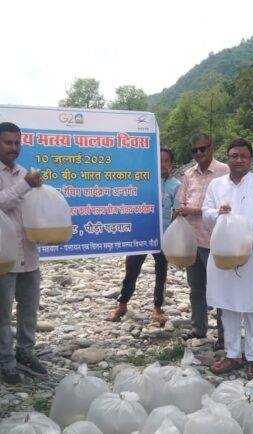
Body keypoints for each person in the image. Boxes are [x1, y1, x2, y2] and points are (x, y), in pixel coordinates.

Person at [0, 122, 48, 385]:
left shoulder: (23, 172)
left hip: (28, 251)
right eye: (8, 142)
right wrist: (26, 185)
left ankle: (25, 353)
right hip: (3, 254)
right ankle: (6, 362)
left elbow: (32, 209)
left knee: (29, 309)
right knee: (2, 313)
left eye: (17, 143)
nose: (14, 148)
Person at [202, 138, 253, 379]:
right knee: (228, 305)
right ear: (228, 157)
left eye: (243, 156)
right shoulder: (216, 185)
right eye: (233, 155)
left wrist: (246, 243)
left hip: (251, 255)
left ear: (250, 159)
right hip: (222, 254)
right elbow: (206, 213)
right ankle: (233, 354)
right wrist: (217, 213)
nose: (238, 160)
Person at [106, 148, 181, 325]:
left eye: (166, 161)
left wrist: (172, 236)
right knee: (131, 269)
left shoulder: (176, 185)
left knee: (161, 272)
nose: (162, 164)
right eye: (159, 160)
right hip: (142, 234)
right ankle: (122, 304)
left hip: (163, 236)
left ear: (171, 164)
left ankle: (157, 308)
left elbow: (176, 212)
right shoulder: (143, 180)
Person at [174, 133, 228, 347]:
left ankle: (225, 335)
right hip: (192, 240)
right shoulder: (189, 174)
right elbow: (181, 202)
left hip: (215, 240)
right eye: (194, 150)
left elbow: (225, 207)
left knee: (220, 288)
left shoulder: (224, 171)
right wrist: (180, 212)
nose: (199, 153)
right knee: (196, 287)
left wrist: (193, 210)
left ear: (212, 148)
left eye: (202, 149)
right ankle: (199, 329)